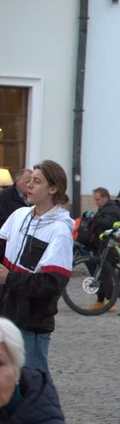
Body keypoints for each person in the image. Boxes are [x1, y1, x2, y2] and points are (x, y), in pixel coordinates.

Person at [0, 160, 74, 375]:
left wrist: (9, 278)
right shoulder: (19, 216)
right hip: (6, 315)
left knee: (34, 391)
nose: (29, 185)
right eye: (30, 180)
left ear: (53, 189)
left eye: (37, 181)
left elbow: (52, 284)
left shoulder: (59, 231)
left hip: (30, 324)